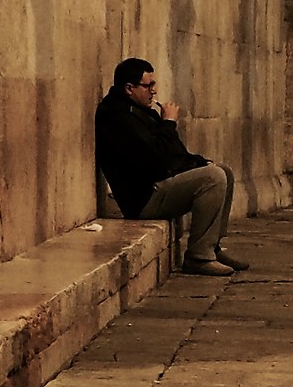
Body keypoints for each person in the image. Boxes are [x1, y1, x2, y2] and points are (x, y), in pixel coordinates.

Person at [93, 57, 247, 275]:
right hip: (143, 199)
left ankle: (211, 246)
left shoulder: (140, 111)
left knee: (224, 172)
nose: (153, 91)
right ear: (129, 88)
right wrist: (168, 123)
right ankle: (199, 257)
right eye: (148, 86)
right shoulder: (117, 117)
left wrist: (197, 162)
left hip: (157, 185)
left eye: (153, 85)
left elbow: (173, 153)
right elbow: (154, 160)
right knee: (213, 178)